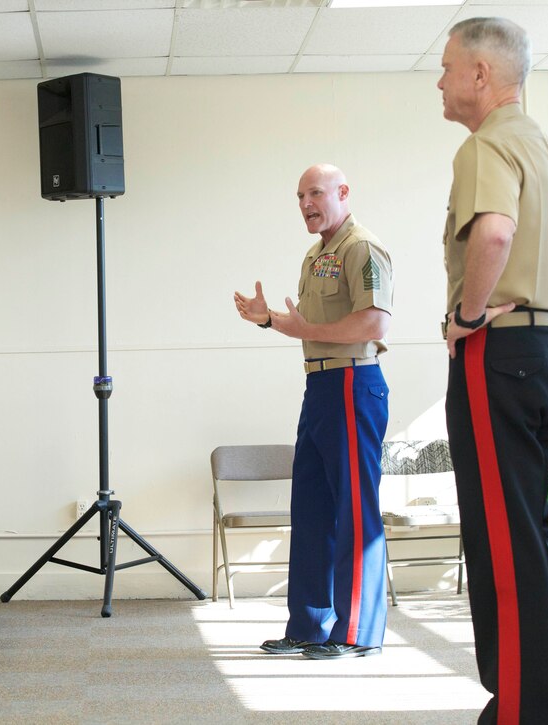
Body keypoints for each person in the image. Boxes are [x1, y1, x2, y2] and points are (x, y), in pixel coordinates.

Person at [437, 17, 548, 724]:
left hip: (497, 357)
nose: (441, 80)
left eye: (449, 66)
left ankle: (519, 710)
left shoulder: (486, 146)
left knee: (501, 546)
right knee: (526, 536)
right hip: (546, 355)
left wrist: (472, 315)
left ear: (483, 75)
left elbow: (494, 231)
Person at [234, 163, 394, 660]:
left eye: (316, 193)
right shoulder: (315, 254)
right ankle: (309, 626)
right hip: (320, 385)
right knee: (311, 510)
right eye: (300, 195)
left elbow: (374, 323)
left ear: (343, 192)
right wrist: (269, 321)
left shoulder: (361, 248)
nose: (306, 203)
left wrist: (302, 330)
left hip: (352, 383)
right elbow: (311, 325)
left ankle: (356, 632)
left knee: (353, 511)